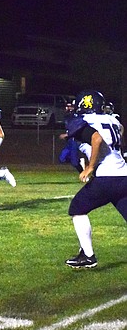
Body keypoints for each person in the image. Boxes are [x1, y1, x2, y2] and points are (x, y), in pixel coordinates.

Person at [64, 90, 127, 269]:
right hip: (124, 175)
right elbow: (119, 131)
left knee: (77, 207)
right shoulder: (113, 120)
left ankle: (88, 255)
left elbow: (97, 138)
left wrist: (90, 168)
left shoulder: (87, 122)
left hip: (107, 177)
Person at [58, 99, 86, 173]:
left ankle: (83, 174)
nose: (68, 108)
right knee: (62, 158)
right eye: (67, 106)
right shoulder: (68, 116)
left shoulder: (77, 116)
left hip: (75, 140)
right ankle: (78, 161)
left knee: (74, 162)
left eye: (70, 106)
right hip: (69, 141)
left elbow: (78, 128)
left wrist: (67, 134)